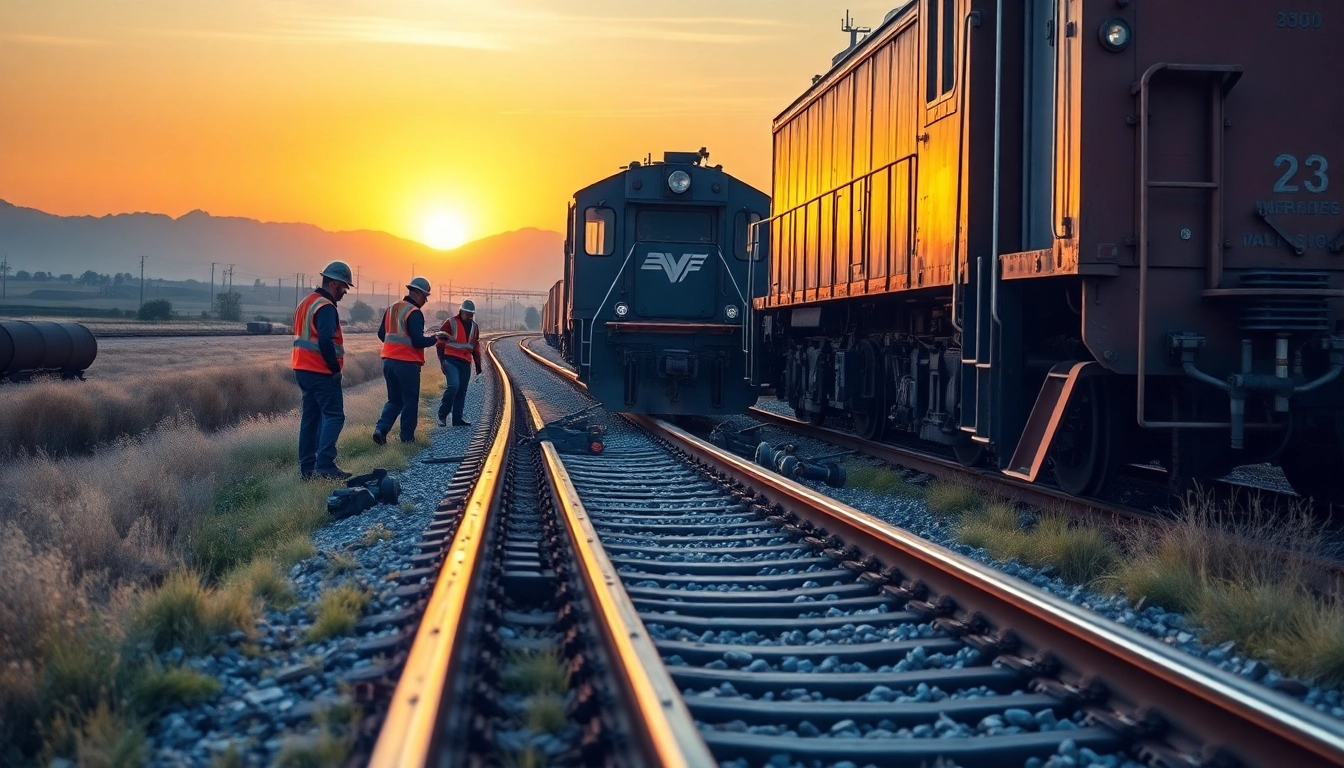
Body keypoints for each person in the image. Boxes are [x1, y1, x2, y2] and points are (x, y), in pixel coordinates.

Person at [293, 261, 354, 480]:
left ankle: (307, 470)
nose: (345, 292)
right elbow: (326, 341)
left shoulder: (306, 302)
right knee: (334, 415)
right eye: (344, 287)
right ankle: (325, 465)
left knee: (310, 419)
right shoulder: (325, 306)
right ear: (335, 284)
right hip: (320, 370)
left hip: (302, 369)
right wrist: (335, 368)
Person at [373, 277, 444, 445]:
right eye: (425, 296)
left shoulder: (392, 308)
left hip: (388, 362)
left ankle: (381, 430)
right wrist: (436, 338)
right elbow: (418, 341)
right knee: (409, 401)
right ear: (418, 293)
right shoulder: (414, 312)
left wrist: (394, 346)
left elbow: (381, 334)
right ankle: (407, 439)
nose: (426, 301)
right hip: (406, 364)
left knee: (394, 400)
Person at [437, 299, 482, 427]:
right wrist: (442, 361)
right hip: (451, 361)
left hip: (465, 362)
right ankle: (442, 415)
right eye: (467, 313)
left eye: (471, 313)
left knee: (461, 391)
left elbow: (475, 346)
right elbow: (440, 342)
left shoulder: (474, 327)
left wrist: (478, 366)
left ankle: (457, 420)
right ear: (461, 311)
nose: (469, 316)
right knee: (453, 386)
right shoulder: (450, 323)